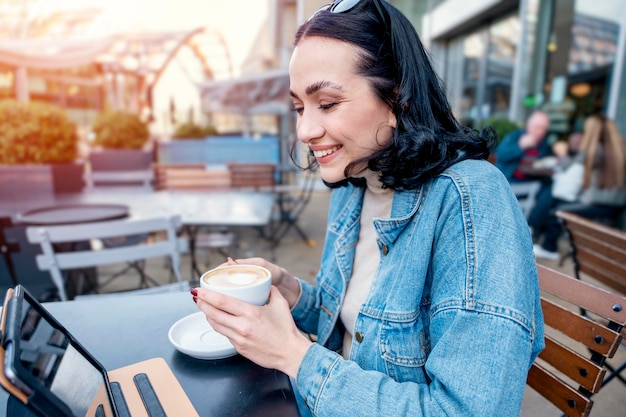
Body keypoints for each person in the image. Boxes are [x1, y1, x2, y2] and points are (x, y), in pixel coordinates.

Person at [192, 1, 544, 416]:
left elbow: (467, 410)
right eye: (299, 107)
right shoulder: (355, 180)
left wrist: (292, 356)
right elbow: (353, 326)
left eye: (327, 103)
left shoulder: (470, 199)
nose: (305, 130)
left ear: (396, 98)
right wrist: (292, 292)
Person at [533, 115, 626, 260]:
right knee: (557, 201)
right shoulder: (620, 149)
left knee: (557, 211)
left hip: (599, 205)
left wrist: (562, 154)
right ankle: (538, 235)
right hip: (615, 206)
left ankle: (548, 248)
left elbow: (569, 166)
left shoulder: (595, 151)